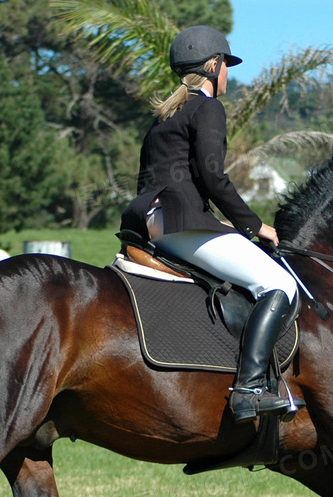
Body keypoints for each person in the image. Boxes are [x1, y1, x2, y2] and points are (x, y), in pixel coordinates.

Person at [121, 25, 299, 423]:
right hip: (179, 224)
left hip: (150, 222)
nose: (228, 75)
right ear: (214, 65)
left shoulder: (165, 114)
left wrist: (213, 220)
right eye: (227, 66)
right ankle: (249, 389)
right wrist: (255, 226)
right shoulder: (208, 108)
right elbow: (214, 177)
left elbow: (170, 178)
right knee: (280, 284)